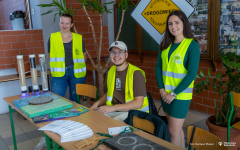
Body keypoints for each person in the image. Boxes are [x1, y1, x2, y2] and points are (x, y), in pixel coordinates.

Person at [155, 10, 200, 148]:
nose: (173, 26)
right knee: (177, 130)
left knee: (172, 130)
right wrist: (162, 90)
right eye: (170, 24)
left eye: (176, 22)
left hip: (179, 96)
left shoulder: (192, 45)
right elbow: (158, 67)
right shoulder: (165, 44)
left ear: (184, 24)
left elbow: (192, 74)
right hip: (165, 95)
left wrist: (173, 94)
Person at [90, 41, 149, 122]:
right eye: (113, 52)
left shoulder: (136, 73)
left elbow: (139, 103)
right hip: (115, 110)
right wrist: (96, 104)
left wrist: (113, 108)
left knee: (109, 125)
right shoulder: (111, 71)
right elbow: (109, 93)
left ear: (126, 55)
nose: (116, 55)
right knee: (94, 119)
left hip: (134, 112)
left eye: (120, 52)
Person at [48, 14, 87, 103]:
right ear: (59, 23)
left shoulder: (78, 38)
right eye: (62, 23)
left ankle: (74, 117)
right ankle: (60, 117)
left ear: (71, 25)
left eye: (67, 23)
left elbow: (84, 56)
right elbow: (50, 55)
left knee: (75, 101)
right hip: (59, 73)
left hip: (76, 73)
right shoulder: (53, 38)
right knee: (56, 100)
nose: (64, 26)